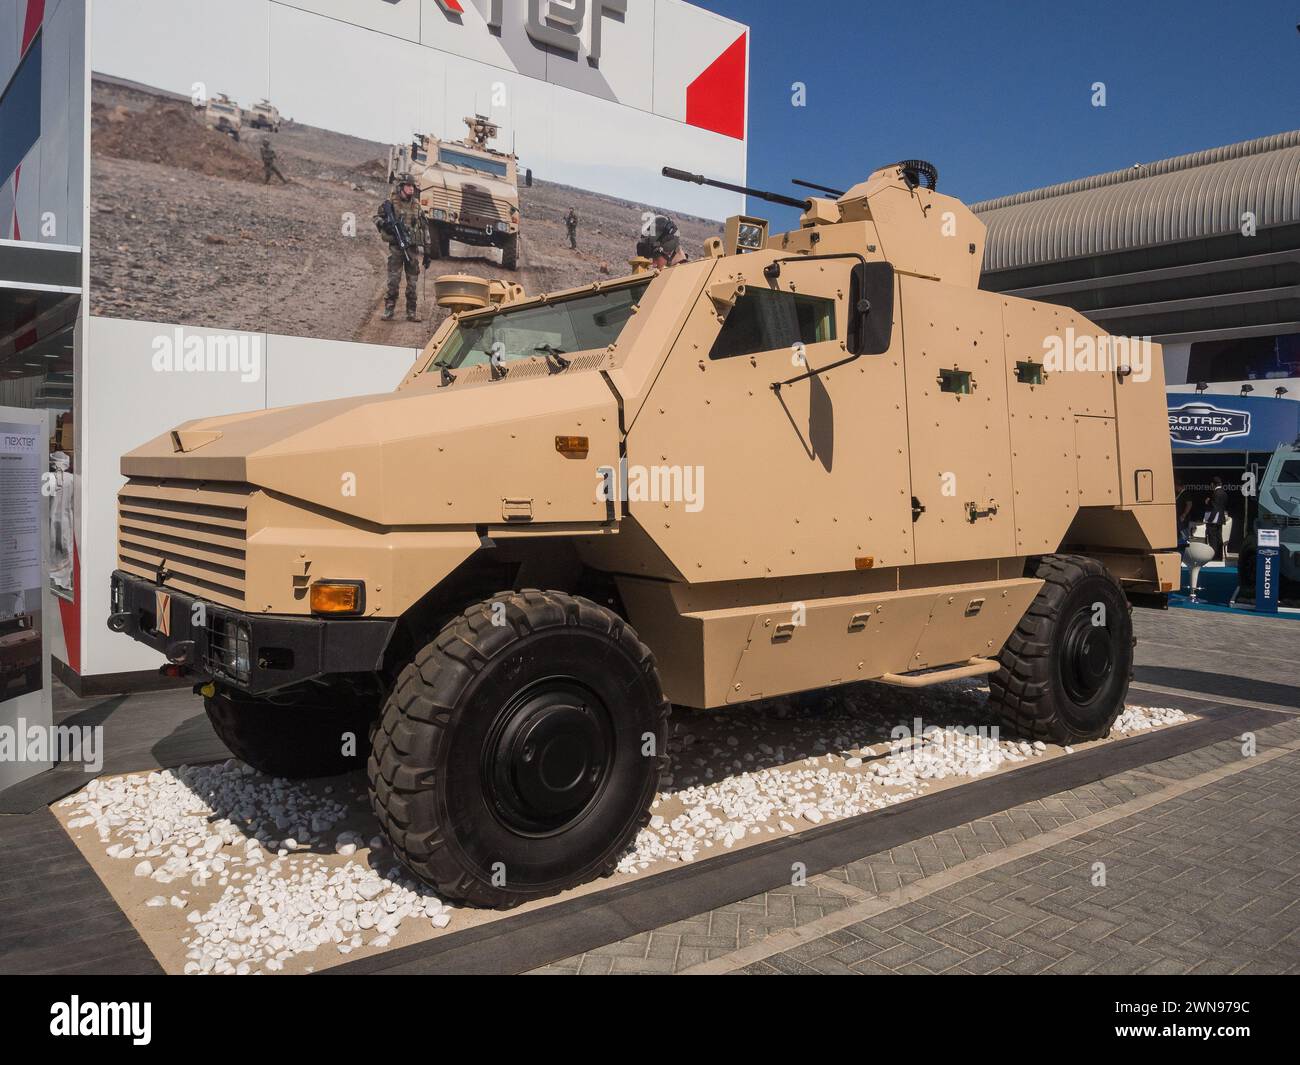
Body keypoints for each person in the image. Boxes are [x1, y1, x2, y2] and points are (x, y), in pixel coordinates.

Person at [375, 174, 434, 322]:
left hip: (411, 250)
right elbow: (376, 217)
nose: (411, 188)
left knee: (412, 282)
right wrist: (384, 224)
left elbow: (425, 228)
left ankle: (411, 312)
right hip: (396, 248)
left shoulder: (417, 205)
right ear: (401, 187)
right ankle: (389, 309)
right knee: (393, 281)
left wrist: (427, 252)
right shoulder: (390, 203)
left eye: (412, 186)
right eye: (408, 185)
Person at [1205, 475, 1230, 561]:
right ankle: (1219, 556)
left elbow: (1215, 508)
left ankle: (1214, 556)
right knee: (1219, 538)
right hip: (1220, 519)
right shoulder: (1224, 493)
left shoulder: (1215, 493)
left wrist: (1210, 520)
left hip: (1214, 520)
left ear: (1213, 484)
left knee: (1213, 539)